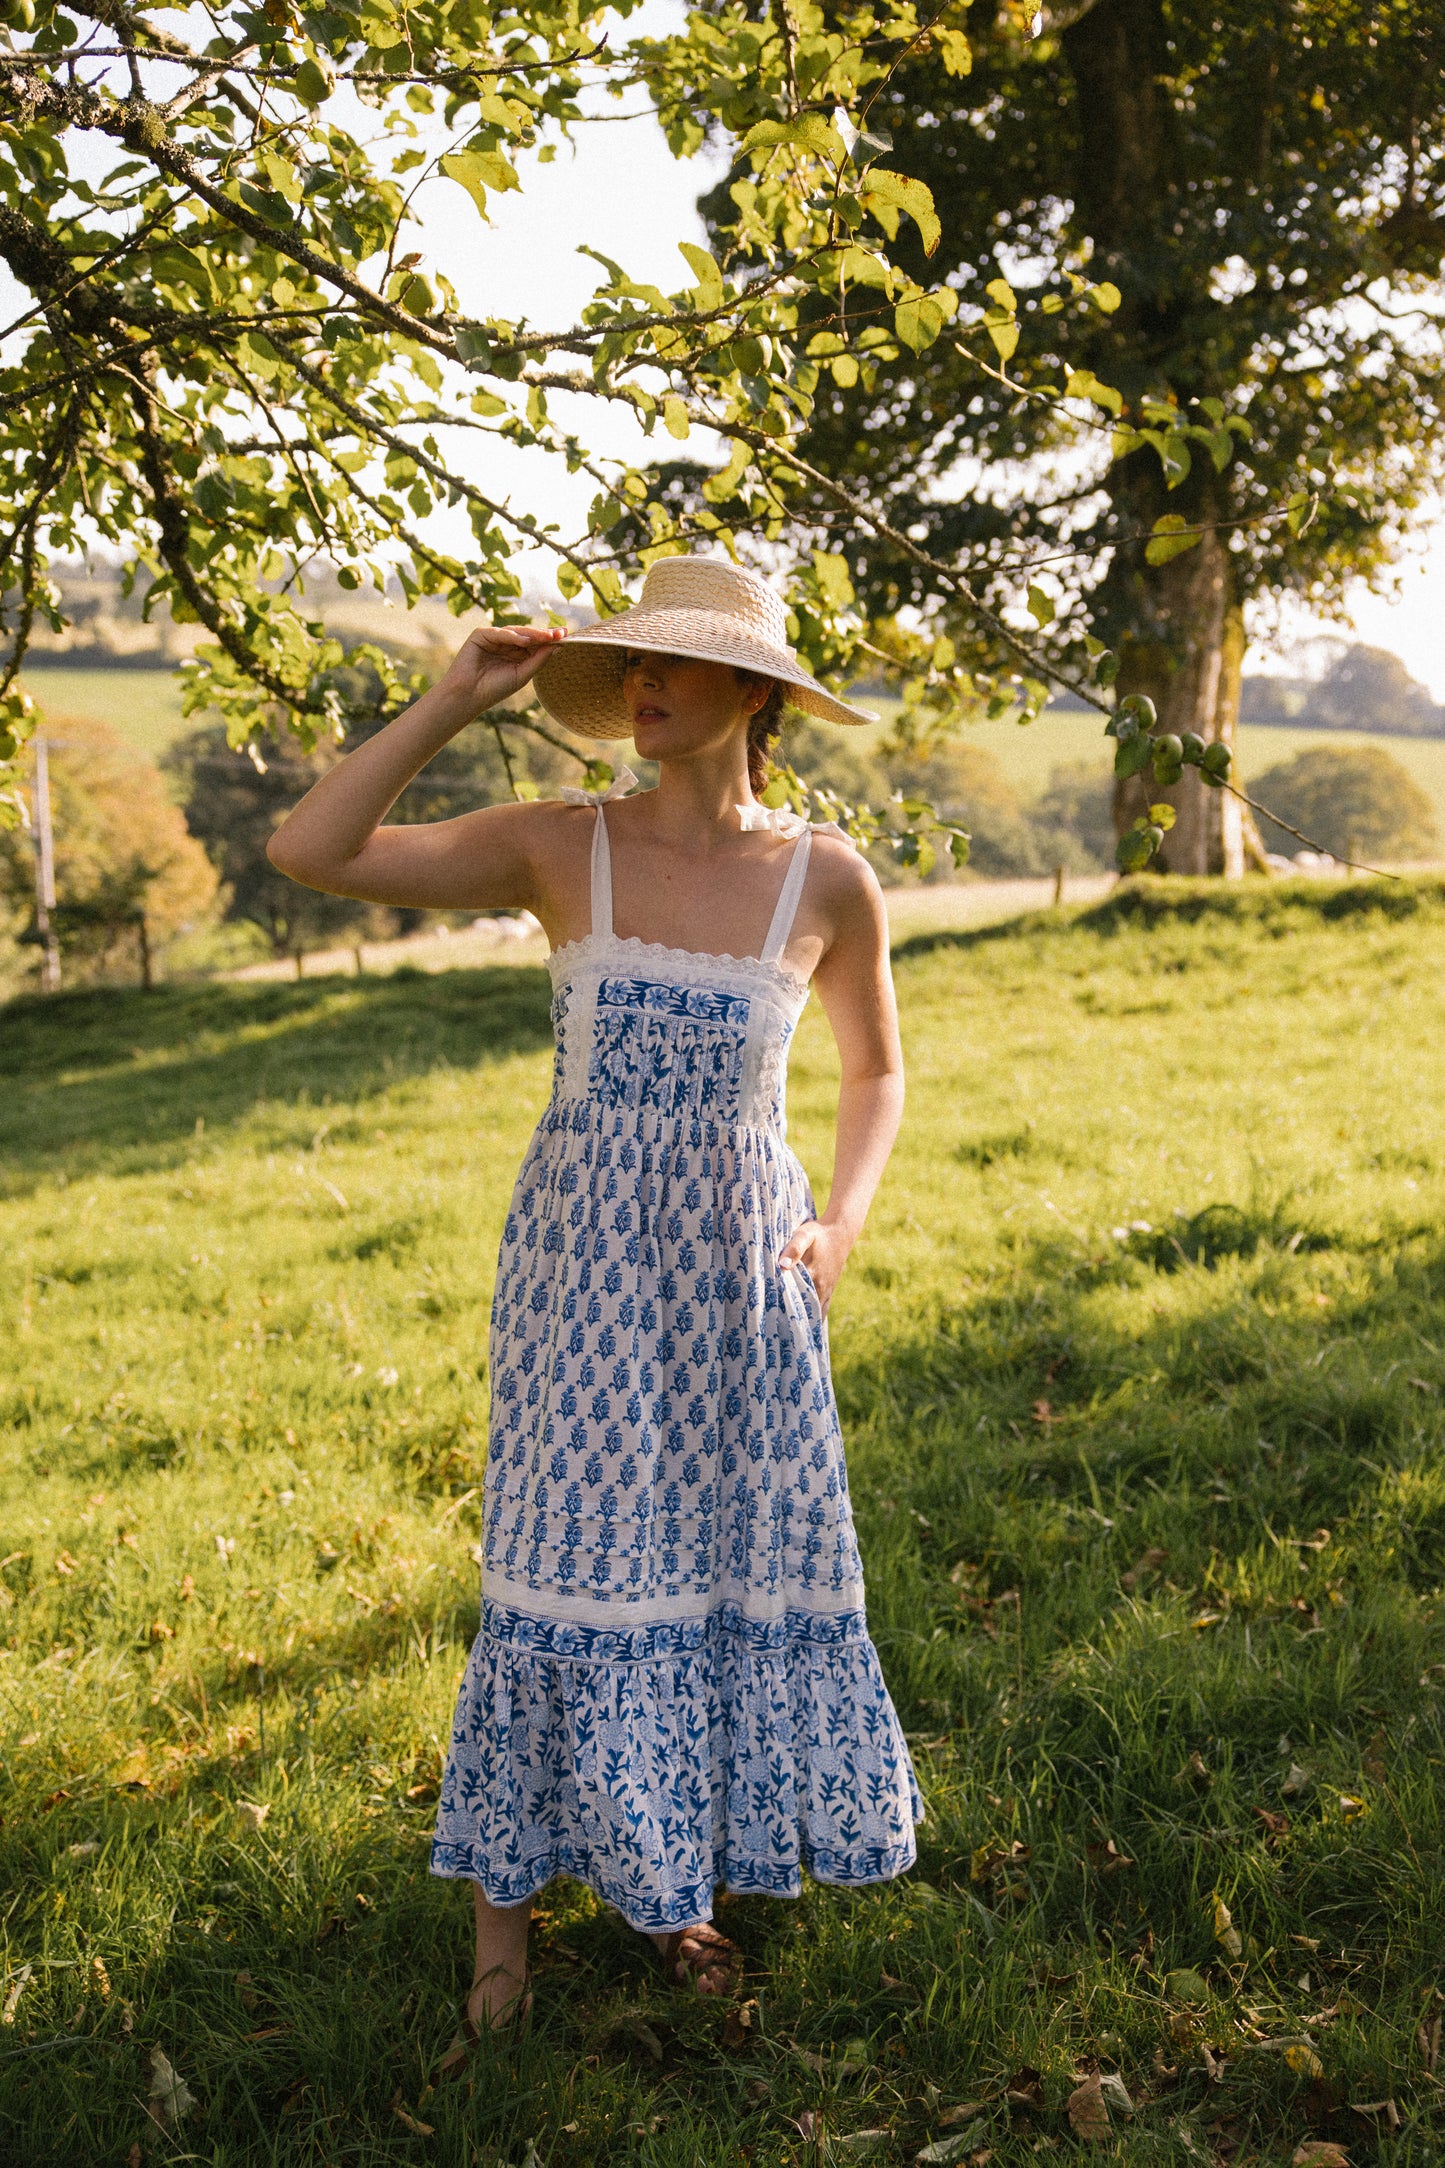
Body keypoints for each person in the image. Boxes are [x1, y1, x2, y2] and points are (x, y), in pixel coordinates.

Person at [267, 555, 922, 2053]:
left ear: (752, 695)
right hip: (580, 1267)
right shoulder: (559, 846)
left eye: (674, 668)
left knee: (710, 1564)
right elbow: (313, 849)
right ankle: (500, 1930)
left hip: (740, 1270)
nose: (642, 689)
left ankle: (678, 1886)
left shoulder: (827, 878)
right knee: (562, 1561)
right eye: (629, 665)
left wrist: (841, 1222)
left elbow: (875, 1068)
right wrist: (447, 699)